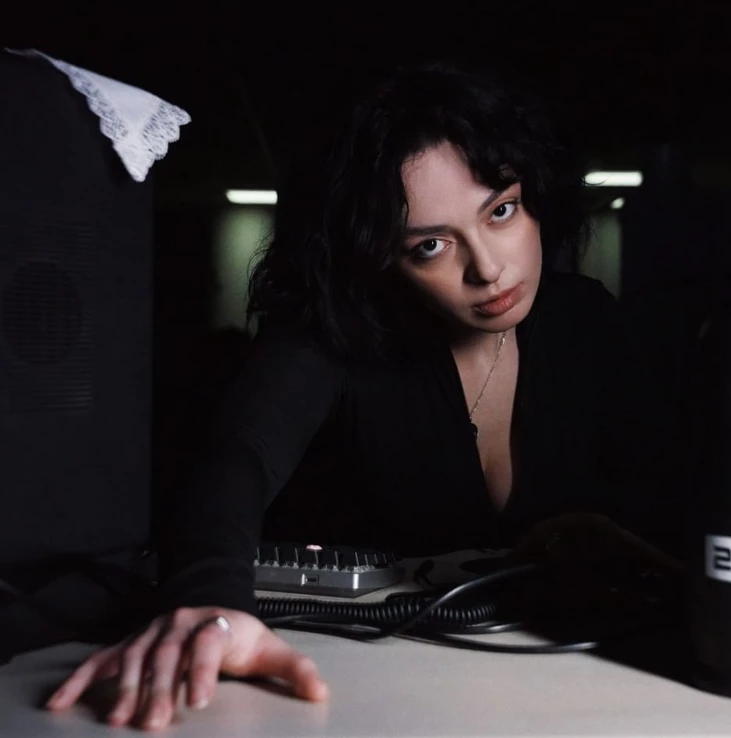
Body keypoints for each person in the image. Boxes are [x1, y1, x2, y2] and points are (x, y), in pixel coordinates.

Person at [45, 62, 680, 731]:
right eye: (430, 246)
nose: (488, 269)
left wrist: (605, 535)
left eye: (501, 211)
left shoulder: (585, 319)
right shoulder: (333, 334)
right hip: (359, 693)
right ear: (380, 257)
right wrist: (210, 601)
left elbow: (667, 483)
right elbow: (238, 456)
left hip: (565, 694)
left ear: (535, 196)